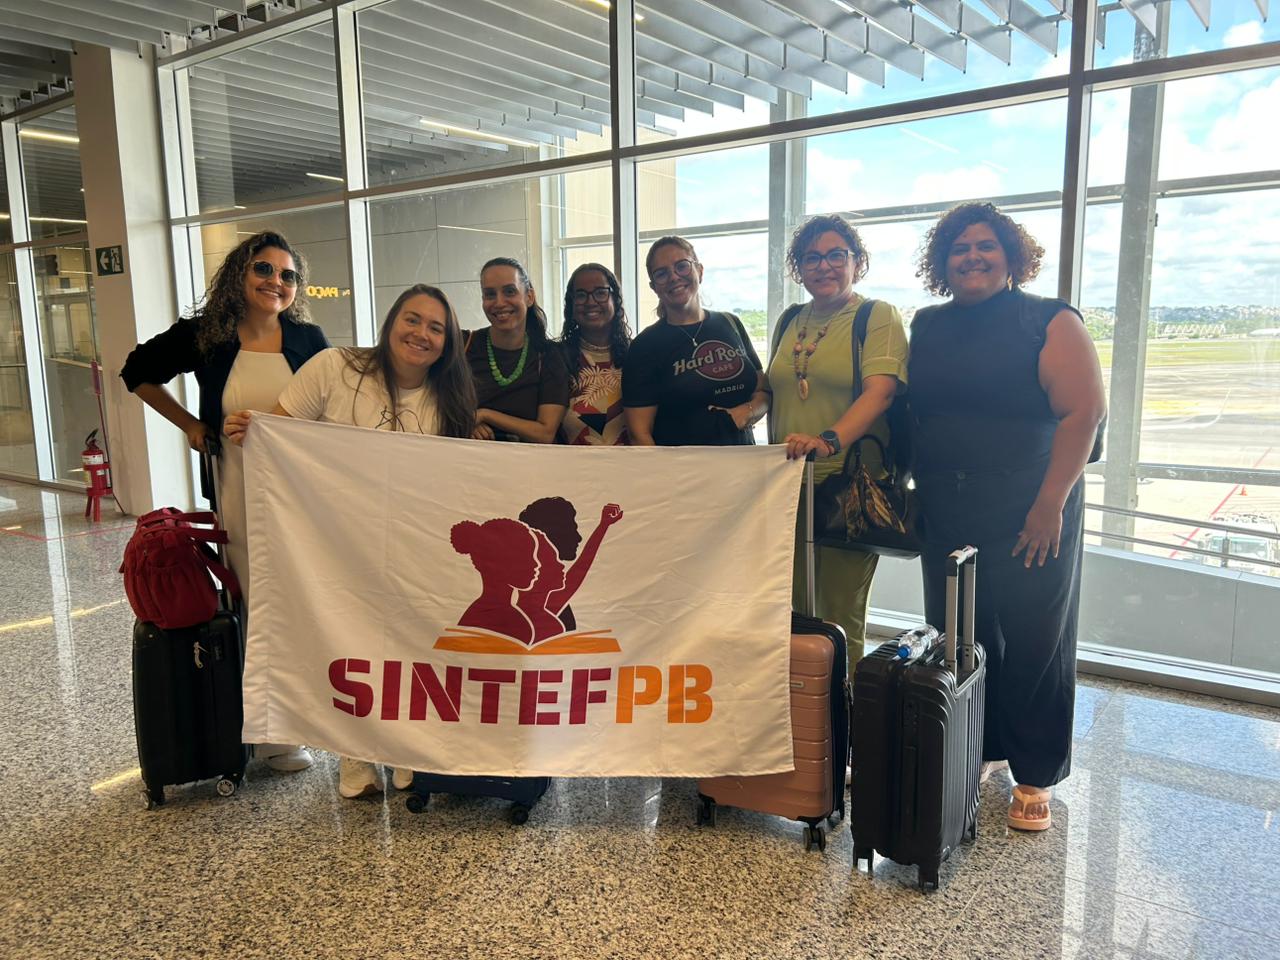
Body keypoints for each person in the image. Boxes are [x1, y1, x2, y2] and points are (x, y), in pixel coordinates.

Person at [224, 283, 477, 798]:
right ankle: (355, 754)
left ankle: (406, 749)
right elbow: (280, 432)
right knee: (353, 643)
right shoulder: (334, 367)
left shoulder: (449, 397)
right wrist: (253, 428)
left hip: (413, 542)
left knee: (411, 644)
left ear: (447, 343)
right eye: (412, 319)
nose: (421, 334)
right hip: (339, 540)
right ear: (391, 322)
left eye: (436, 328)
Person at [909, 202, 1106, 832]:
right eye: (959, 248)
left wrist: (1049, 506)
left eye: (985, 245)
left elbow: (1083, 413)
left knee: (1035, 638)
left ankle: (1035, 772)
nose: (972, 257)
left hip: (1031, 506)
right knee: (960, 634)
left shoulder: (1048, 320)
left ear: (1011, 255)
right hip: (947, 504)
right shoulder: (928, 324)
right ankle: (983, 745)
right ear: (942, 263)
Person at [122, 230, 327, 775]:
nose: (276, 282)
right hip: (238, 493)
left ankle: (307, 718)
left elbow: (330, 406)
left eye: (288, 275)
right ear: (240, 273)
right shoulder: (207, 335)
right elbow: (136, 370)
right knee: (256, 602)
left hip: (301, 496)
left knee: (301, 600)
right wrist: (191, 425)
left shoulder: (307, 338)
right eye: (264, 269)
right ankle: (272, 735)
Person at [766, 214, 909, 663]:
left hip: (848, 485)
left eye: (835, 255)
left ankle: (845, 703)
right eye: (811, 258)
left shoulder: (876, 316)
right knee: (790, 607)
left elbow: (881, 392)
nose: (823, 266)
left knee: (839, 613)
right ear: (798, 268)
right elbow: (772, 388)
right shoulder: (790, 319)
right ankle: (803, 699)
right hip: (788, 484)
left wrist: (827, 440)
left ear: (856, 262)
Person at [623, 236, 769, 446]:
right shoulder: (645, 346)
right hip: (682, 465)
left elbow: (763, 392)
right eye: (662, 273)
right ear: (654, 286)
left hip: (744, 461)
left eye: (682, 266)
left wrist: (744, 413)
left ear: (699, 271)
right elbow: (639, 435)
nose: (674, 277)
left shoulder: (731, 323)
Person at [466, 257, 569, 443]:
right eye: (490, 294)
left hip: (531, 460)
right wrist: (466, 423)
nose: (499, 302)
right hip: (472, 459)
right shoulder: (464, 345)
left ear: (529, 297)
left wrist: (485, 415)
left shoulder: (548, 355)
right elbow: (438, 404)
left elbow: (545, 433)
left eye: (509, 291)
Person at [559, 263, 632, 445]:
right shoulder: (556, 358)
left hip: (632, 462)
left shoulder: (638, 355)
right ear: (571, 304)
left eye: (600, 293)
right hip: (569, 462)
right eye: (581, 295)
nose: (590, 302)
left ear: (615, 299)